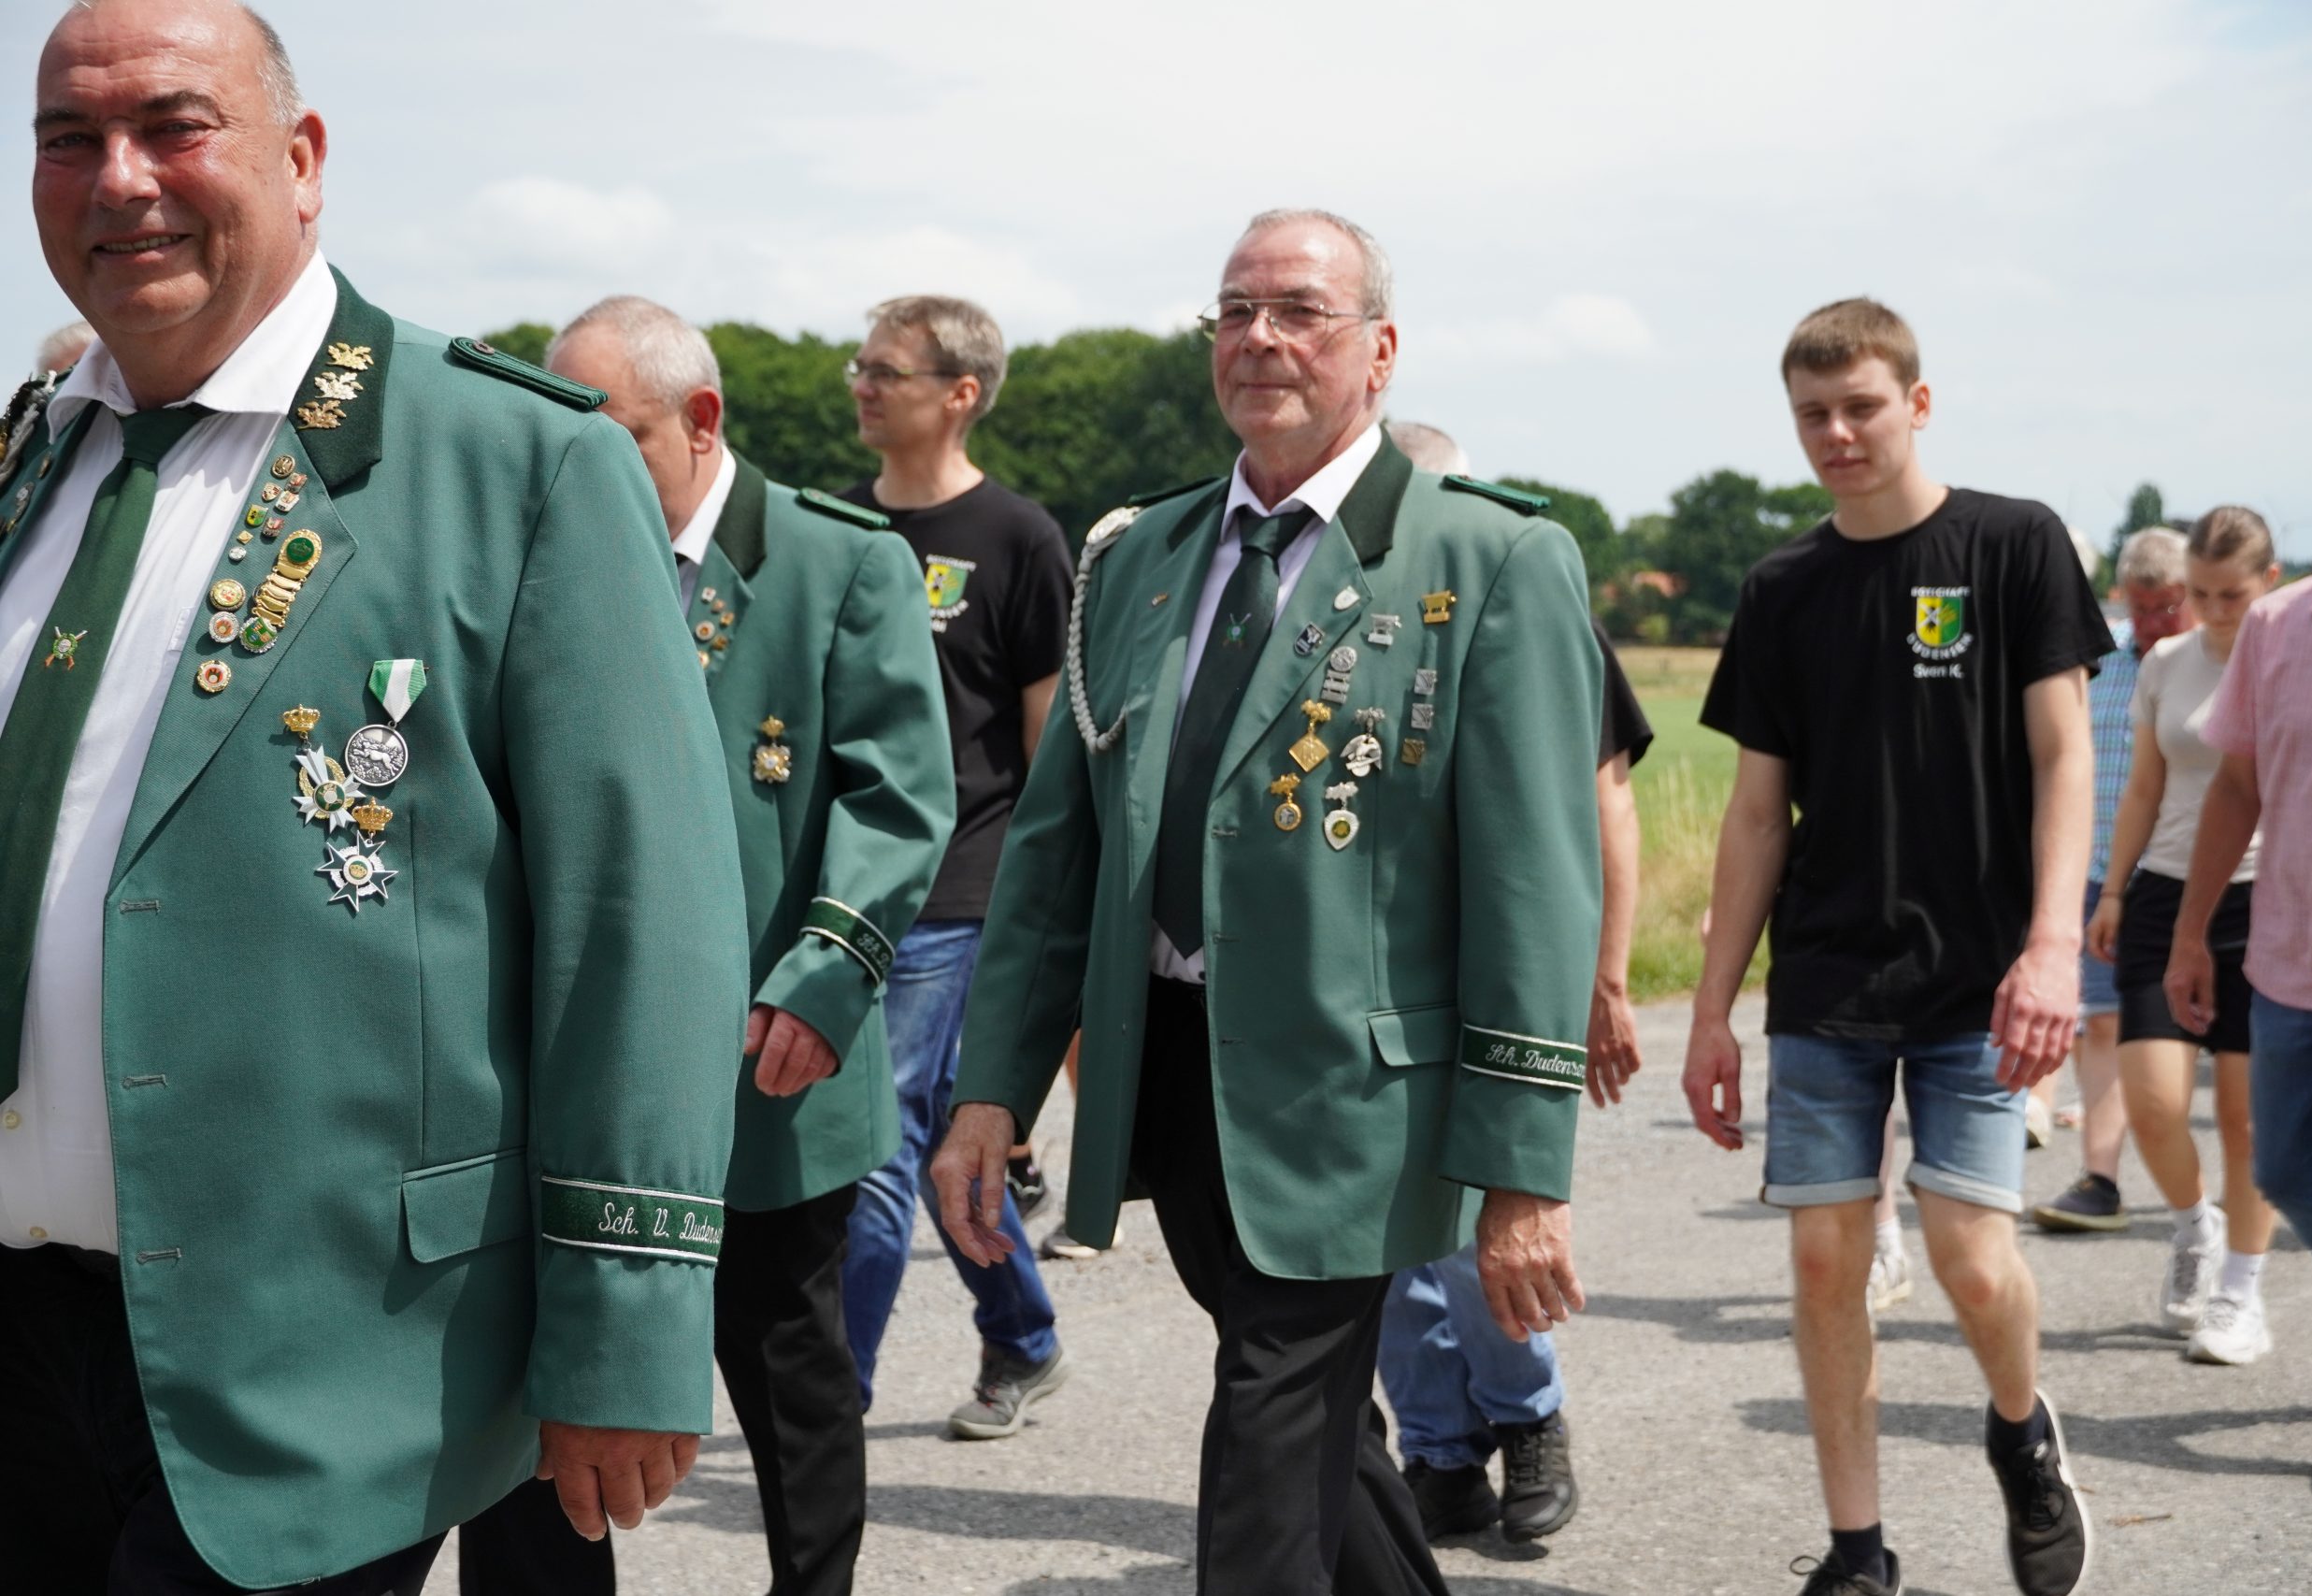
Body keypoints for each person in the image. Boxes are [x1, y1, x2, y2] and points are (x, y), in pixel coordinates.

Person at [0, 4, 749, 1589]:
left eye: (173, 125)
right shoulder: (29, 464)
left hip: (326, 1356)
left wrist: (627, 1318)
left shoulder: (514, 462)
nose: (119, 177)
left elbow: (640, 920)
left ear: (303, 158)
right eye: (71, 138)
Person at [931, 208, 1605, 1596]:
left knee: (1267, 1438)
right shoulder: (1140, 556)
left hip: (1355, 1102)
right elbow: (1058, 853)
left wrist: (1524, 1173)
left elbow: (1535, 883)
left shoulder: (1484, 557)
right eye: (1234, 311)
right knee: (1313, 1433)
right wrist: (993, 1088)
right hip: (1174, 1072)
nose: (1259, 338)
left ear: (1380, 350)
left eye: (1299, 310)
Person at [453, 298, 956, 1596]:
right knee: (535, 1389)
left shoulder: (839, 561)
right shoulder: (530, 547)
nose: (580, 459)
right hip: (566, 1063)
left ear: (701, 421)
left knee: (792, 1379)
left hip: (764, 1057)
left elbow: (899, 800)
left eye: (613, 432)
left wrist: (825, 976)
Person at [1683, 297, 2109, 1596]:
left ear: (1916, 403)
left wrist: (2051, 948)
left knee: (1972, 1261)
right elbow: (1756, 814)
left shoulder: (2013, 544)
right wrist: (1709, 1012)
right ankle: (1858, 1550)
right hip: (1827, 972)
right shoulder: (1781, 588)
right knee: (1824, 1257)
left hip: (1983, 973)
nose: (1837, 432)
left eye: (1861, 405)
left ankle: (2021, 1431)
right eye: (1812, 413)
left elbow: (2065, 756)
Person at [1371, 418, 1651, 1546]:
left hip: (1487, 971)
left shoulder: (1531, 599)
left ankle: (1526, 1416)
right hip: (1369, 978)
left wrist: (1606, 979)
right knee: (1383, 1244)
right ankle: (1438, 1447)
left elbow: (1607, 803)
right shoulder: (1343, 612)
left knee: (1474, 1220)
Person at [833, 295, 1073, 1439]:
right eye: (859, 367)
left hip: (961, 890)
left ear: (961, 393)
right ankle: (1024, 1335)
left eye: (887, 370)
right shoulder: (837, 529)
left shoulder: (1020, 539)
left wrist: (1032, 911)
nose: (862, 386)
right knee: (938, 1143)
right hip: (845, 889)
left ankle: (830, 1406)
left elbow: (1045, 746)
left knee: (873, 1147)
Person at [2164, 439, 2312, 1497]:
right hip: (2292, 951)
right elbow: (2234, 790)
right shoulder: (2277, 624)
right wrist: (2188, 933)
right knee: (2285, 1170)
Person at [2087, 508, 2279, 1362]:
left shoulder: (2293, 660)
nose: (2214, 611)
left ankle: (2240, 1293)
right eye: (2200, 594)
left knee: (2246, 1116)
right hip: (2163, 892)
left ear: (2269, 583)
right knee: (2156, 1100)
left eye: (2231, 594)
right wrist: (2113, 890)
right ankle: (2195, 1223)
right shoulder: (2166, 662)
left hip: (2265, 897)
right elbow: (2143, 788)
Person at [2030, 527, 2191, 1234]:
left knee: (2215, 1047)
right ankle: (2101, 1179)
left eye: (2169, 607)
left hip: (2196, 878)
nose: (2153, 623)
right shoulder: (2098, 662)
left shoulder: (2220, 664)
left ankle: (2225, 1198)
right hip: (2104, 875)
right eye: (2142, 607)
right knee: (2102, 1024)